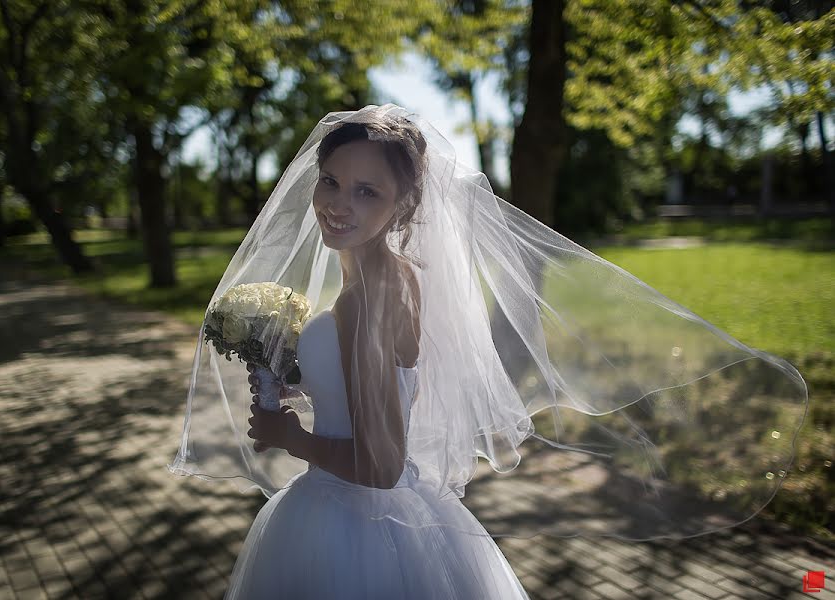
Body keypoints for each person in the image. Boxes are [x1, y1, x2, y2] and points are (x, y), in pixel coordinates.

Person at [169, 105, 808, 599]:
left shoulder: (370, 298)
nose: (339, 204)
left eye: (368, 192)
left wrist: (291, 435)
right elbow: (388, 387)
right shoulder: (394, 275)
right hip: (373, 511)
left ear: (403, 205)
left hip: (353, 521)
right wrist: (310, 387)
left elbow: (383, 464)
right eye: (332, 182)